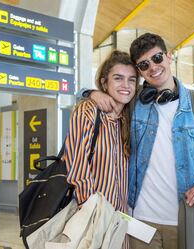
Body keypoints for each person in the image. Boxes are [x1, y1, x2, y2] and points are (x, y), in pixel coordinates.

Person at [89, 33, 194, 249]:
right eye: (144, 65)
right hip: (139, 220)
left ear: (169, 56)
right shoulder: (133, 104)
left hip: (184, 218)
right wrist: (90, 93)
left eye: (157, 58)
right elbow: (103, 95)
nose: (153, 68)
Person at [64, 51, 138, 247]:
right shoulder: (88, 111)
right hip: (91, 220)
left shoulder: (128, 120)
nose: (126, 85)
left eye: (132, 80)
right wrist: (92, 213)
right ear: (105, 83)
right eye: (118, 78)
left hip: (120, 221)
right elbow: (77, 165)